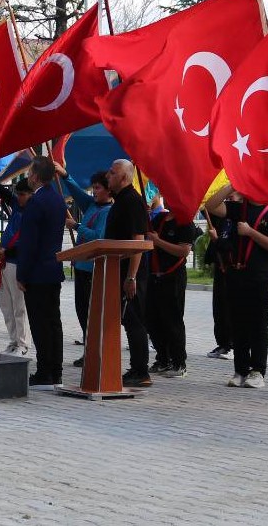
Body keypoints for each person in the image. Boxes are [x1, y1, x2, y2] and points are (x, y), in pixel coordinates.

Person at [205, 184, 268, 388]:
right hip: (236, 274)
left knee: (257, 324)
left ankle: (257, 371)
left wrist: (251, 232)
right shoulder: (238, 208)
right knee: (238, 324)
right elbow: (212, 205)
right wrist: (232, 183)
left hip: (260, 277)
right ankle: (240, 370)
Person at [15, 157, 66, 389]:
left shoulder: (36, 203)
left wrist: (22, 274)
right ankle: (56, 370)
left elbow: (29, 243)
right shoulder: (57, 199)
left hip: (36, 272)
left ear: (35, 176)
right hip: (53, 270)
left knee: (40, 323)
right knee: (54, 323)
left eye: (29, 172)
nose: (27, 176)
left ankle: (45, 371)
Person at [105, 159, 152, 387]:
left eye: (112, 173)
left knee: (134, 321)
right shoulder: (120, 201)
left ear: (124, 178)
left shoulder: (132, 202)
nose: (108, 176)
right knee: (128, 320)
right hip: (118, 270)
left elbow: (138, 242)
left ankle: (140, 371)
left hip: (130, 274)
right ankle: (135, 367)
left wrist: (131, 276)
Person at [61, 169, 113, 367]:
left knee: (91, 312)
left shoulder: (108, 211)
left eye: (98, 188)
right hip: (82, 267)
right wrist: (66, 175)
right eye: (93, 188)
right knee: (82, 311)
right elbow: (77, 193)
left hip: (93, 269)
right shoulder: (92, 205)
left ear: (109, 191)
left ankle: (96, 352)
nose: (94, 192)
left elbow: (98, 237)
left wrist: (77, 226)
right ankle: (89, 350)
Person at [144, 197, 199, 378]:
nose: (167, 198)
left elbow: (183, 251)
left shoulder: (185, 222)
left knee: (172, 320)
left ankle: (178, 362)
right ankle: (162, 358)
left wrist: (158, 241)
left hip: (172, 276)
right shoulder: (159, 219)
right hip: (154, 275)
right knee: (152, 319)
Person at [0, 176, 32, 358]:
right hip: (6, 263)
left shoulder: (33, 212)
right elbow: (3, 193)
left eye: (22, 194)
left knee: (19, 306)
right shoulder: (17, 206)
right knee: (6, 304)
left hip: (17, 263)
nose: (18, 198)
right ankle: (13, 341)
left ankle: (23, 343)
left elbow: (28, 241)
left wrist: (8, 251)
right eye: (18, 194)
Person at [202, 211, 234, 360]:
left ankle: (232, 345)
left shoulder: (240, 217)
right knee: (219, 308)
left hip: (233, 268)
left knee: (230, 308)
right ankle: (223, 343)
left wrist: (218, 240)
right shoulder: (223, 217)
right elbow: (208, 207)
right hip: (220, 268)